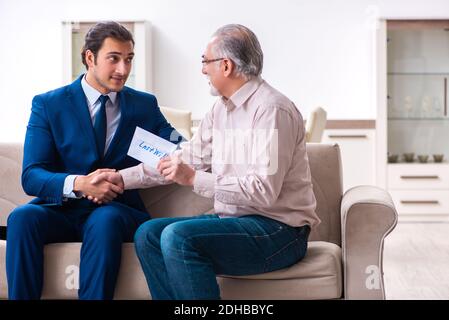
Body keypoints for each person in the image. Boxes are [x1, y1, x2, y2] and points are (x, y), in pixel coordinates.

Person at [93, 24, 320, 300]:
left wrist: (192, 178)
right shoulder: (220, 110)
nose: (202, 70)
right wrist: (121, 178)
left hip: (280, 232)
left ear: (226, 66)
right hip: (236, 222)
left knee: (178, 237)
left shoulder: (271, 110)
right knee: (148, 235)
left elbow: (264, 191)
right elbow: (186, 158)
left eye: (205, 61)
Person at [6, 21, 182, 300]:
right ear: (90, 57)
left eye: (128, 59)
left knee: (105, 218)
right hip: (62, 208)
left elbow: (180, 150)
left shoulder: (143, 105)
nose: (123, 70)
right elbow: (32, 175)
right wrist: (80, 184)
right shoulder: (48, 104)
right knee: (22, 217)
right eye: (114, 58)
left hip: (117, 209)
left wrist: (128, 176)